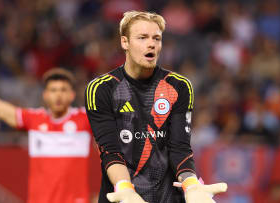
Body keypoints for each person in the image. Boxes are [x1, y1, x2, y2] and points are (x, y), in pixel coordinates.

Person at [85, 11, 227, 203]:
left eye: (157, 38)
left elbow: (180, 147)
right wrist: (126, 190)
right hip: (123, 197)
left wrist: (192, 185)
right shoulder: (101, 89)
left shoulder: (179, 86)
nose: (151, 44)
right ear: (125, 42)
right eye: (142, 38)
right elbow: (110, 150)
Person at [0, 59, 96, 203]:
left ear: (71, 95)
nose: (58, 95)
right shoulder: (34, 119)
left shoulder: (85, 119)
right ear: (45, 95)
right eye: (53, 90)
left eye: (63, 90)